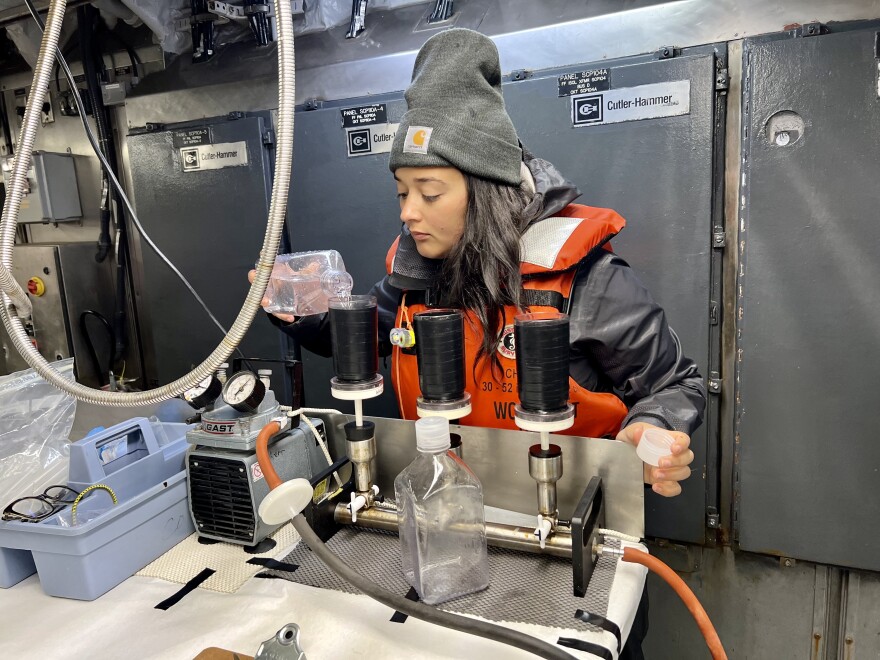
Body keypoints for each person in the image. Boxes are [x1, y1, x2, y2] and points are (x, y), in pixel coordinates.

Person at [253, 28, 704, 658]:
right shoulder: (414, 279)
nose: (409, 212)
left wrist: (653, 431)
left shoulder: (590, 282)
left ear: (485, 190)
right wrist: (293, 309)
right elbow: (363, 343)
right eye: (402, 193)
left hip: (570, 543)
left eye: (430, 193)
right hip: (439, 530)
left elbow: (674, 382)